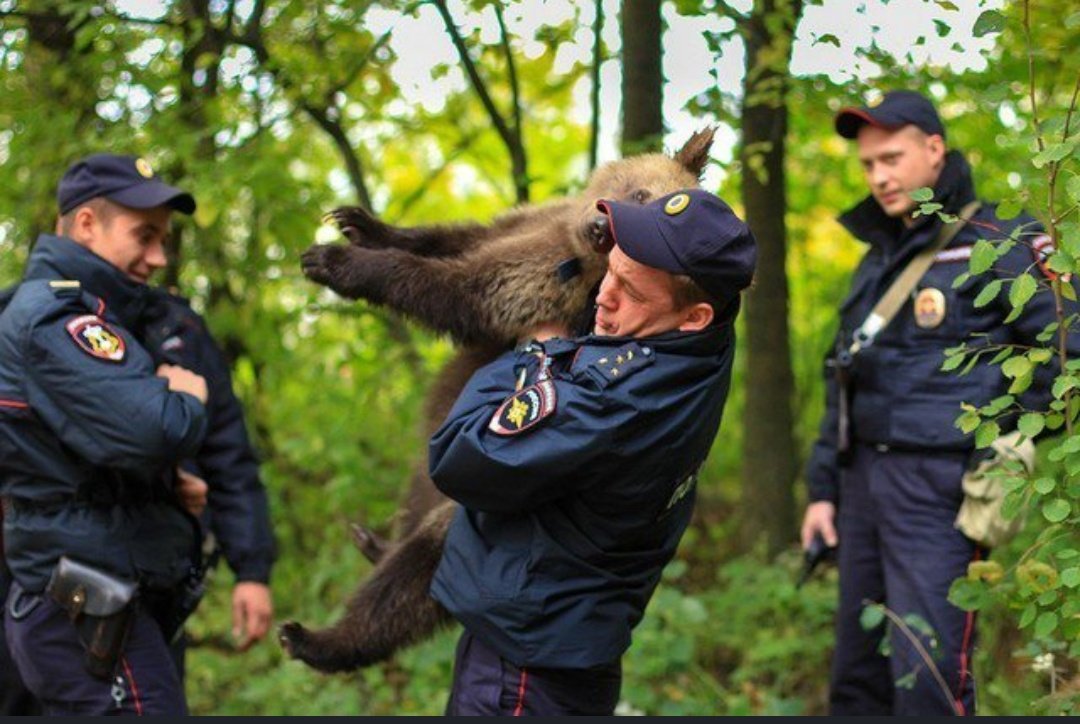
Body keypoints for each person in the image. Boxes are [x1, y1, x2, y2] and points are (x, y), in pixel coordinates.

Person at [427, 188, 757, 715]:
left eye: (631, 291)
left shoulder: (608, 404)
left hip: (524, 673)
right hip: (573, 642)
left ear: (694, 316)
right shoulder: (705, 346)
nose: (603, 298)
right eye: (610, 272)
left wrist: (535, 353)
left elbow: (457, 456)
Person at [801, 90, 1078, 715]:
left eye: (891, 158)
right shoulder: (877, 257)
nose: (878, 176)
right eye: (868, 164)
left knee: (928, 676)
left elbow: (1070, 352)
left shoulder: (1004, 239)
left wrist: (1005, 439)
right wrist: (823, 490)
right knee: (857, 679)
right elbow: (842, 376)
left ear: (934, 149)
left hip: (941, 488)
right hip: (861, 482)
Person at [2, 154, 207, 715]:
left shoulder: (91, 310)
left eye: (163, 240)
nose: (158, 257)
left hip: (96, 597)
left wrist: (164, 489)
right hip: (83, 607)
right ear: (88, 224)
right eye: (145, 236)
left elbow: (70, 456)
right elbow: (156, 428)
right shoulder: (57, 317)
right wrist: (187, 398)